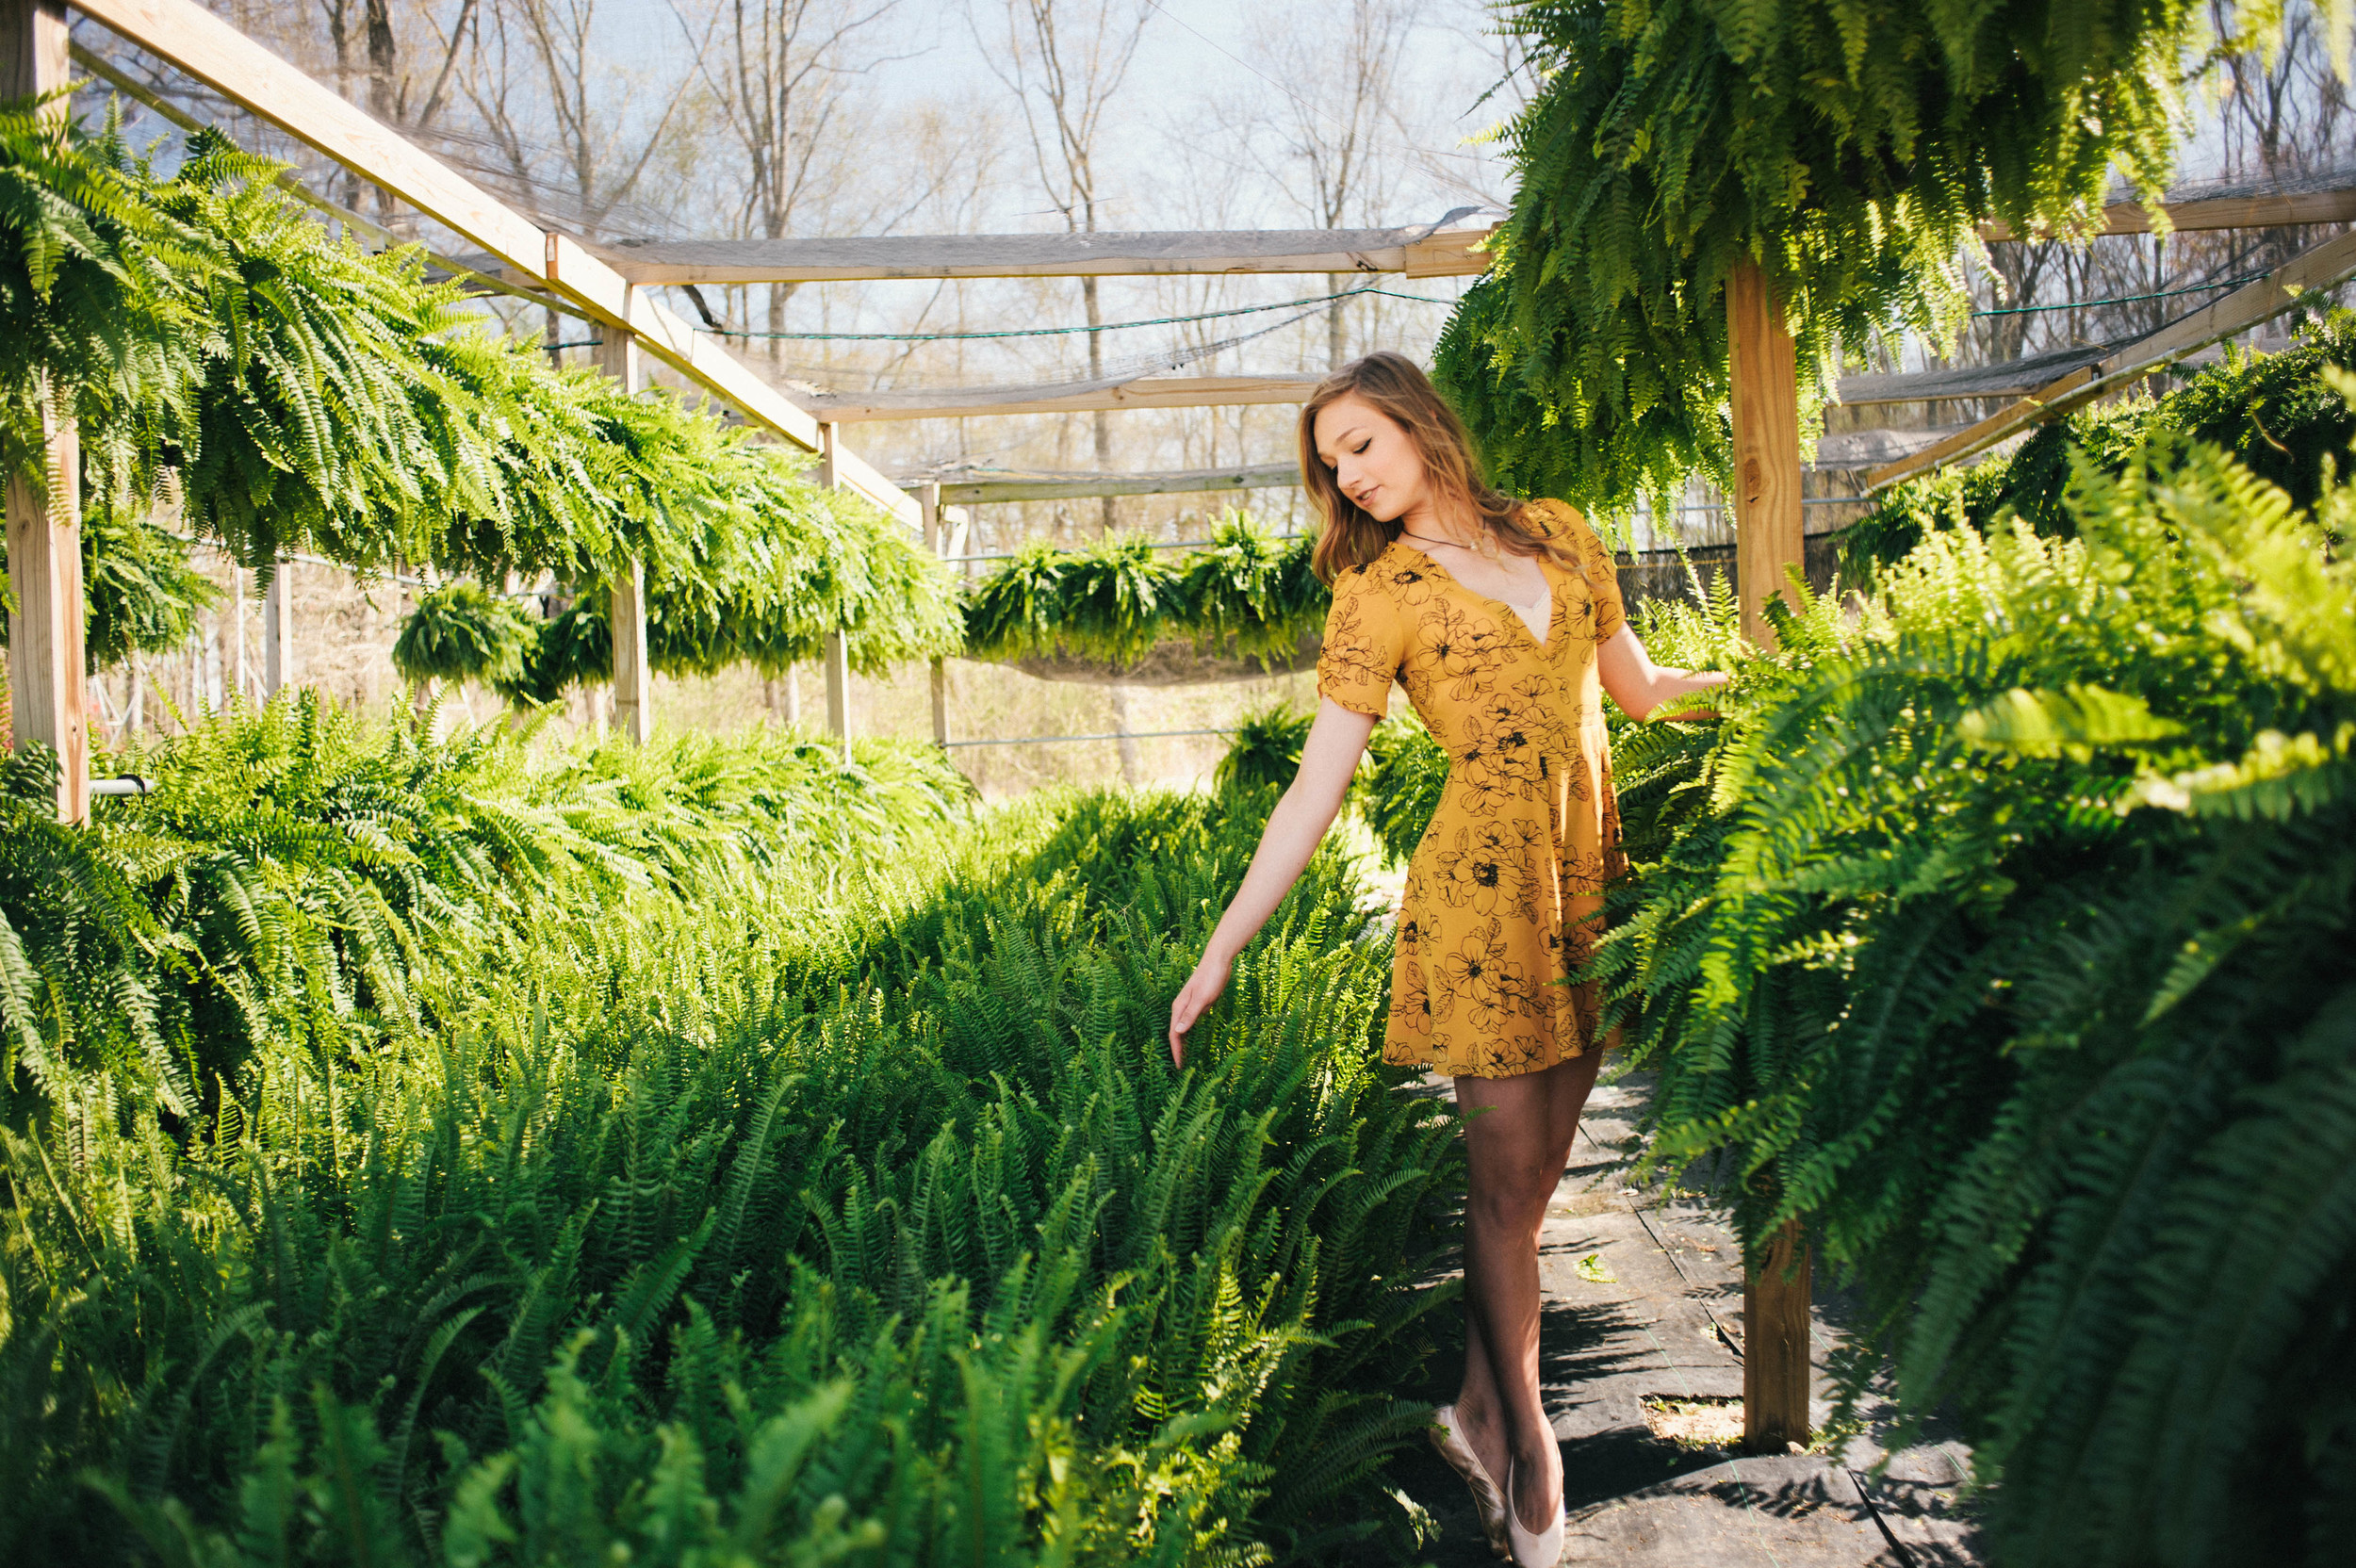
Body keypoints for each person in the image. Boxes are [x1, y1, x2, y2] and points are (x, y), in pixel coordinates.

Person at [1166, 351, 1726, 1566]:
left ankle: (1471, 1409)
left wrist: (1780, 688)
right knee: (1503, 1196)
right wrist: (1222, 951)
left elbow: (1637, 693)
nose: (1347, 478)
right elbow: (1316, 792)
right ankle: (1529, 1443)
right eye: (1329, 467)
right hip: (1480, 906)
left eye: (1359, 445)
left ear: (1419, 423)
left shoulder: (1565, 536)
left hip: (1588, 894)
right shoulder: (1380, 596)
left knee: (1530, 1197)